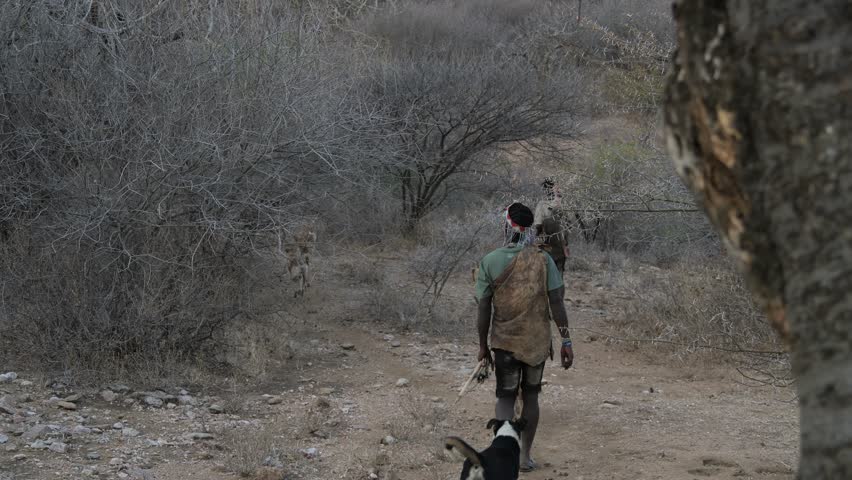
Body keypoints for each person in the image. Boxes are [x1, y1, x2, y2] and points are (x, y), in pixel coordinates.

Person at [474, 202, 574, 472]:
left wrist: (483, 347)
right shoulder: (544, 260)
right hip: (536, 343)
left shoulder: (490, 260)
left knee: (506, 398)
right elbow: (557, 303)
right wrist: (566, 341)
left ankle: (503, 457)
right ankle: (524, 458)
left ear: (506, 226)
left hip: (504, 343)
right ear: (530, 228)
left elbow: (484, 307)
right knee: (531, 398)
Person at [534, 178, 569, 274]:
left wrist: (534, 241)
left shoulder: (542, 205)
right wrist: (566, 245)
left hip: (547, 247)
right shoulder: (562, 204)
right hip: (561, 246)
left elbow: (538, 225)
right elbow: (568, 225)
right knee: (559, 275)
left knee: (546, 276)